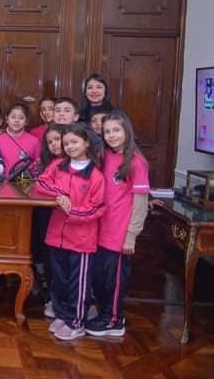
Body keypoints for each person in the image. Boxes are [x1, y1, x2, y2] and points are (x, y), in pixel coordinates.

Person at [35, 123, 105, 341]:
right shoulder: (58, 165)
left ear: (86, 143)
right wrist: (61, 194)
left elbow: (97, 206)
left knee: (79, 282)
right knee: (59, 279)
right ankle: (63, 314)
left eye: (74, 142)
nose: (70, 146)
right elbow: (42, 183)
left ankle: (76, 321)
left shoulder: (95, 175)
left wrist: (72, 211)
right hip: (57, 235)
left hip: (81, 238)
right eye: (66, 143)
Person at [86, 112, 150, 337]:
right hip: (101, 229)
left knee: (114, 280)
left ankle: (114, 321)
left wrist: (131, 235)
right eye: (107, 131)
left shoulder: (136, 162)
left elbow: (141, 203)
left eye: (116, 130)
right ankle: (104, 313)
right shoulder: (105, 156)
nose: (111, 135)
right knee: (101, 277)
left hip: (120, 233)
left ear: (127, 132)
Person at [35, 123, 67, 319]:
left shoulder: (80, 162)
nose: (55, 144)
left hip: (75, 221)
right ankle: (55, 302)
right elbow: (41, 184)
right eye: (50, 142)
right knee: (53, 261)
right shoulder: (53, 163)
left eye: (58, 139)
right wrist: (60, 193)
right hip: (53, 218)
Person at [0, 104, 40, 177]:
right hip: (3, 182)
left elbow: (38, 165)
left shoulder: (34, 141)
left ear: (26, 121)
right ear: (6, 119)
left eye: (21, 118)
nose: (16, 121)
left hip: (27, 182)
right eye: (13, 117)